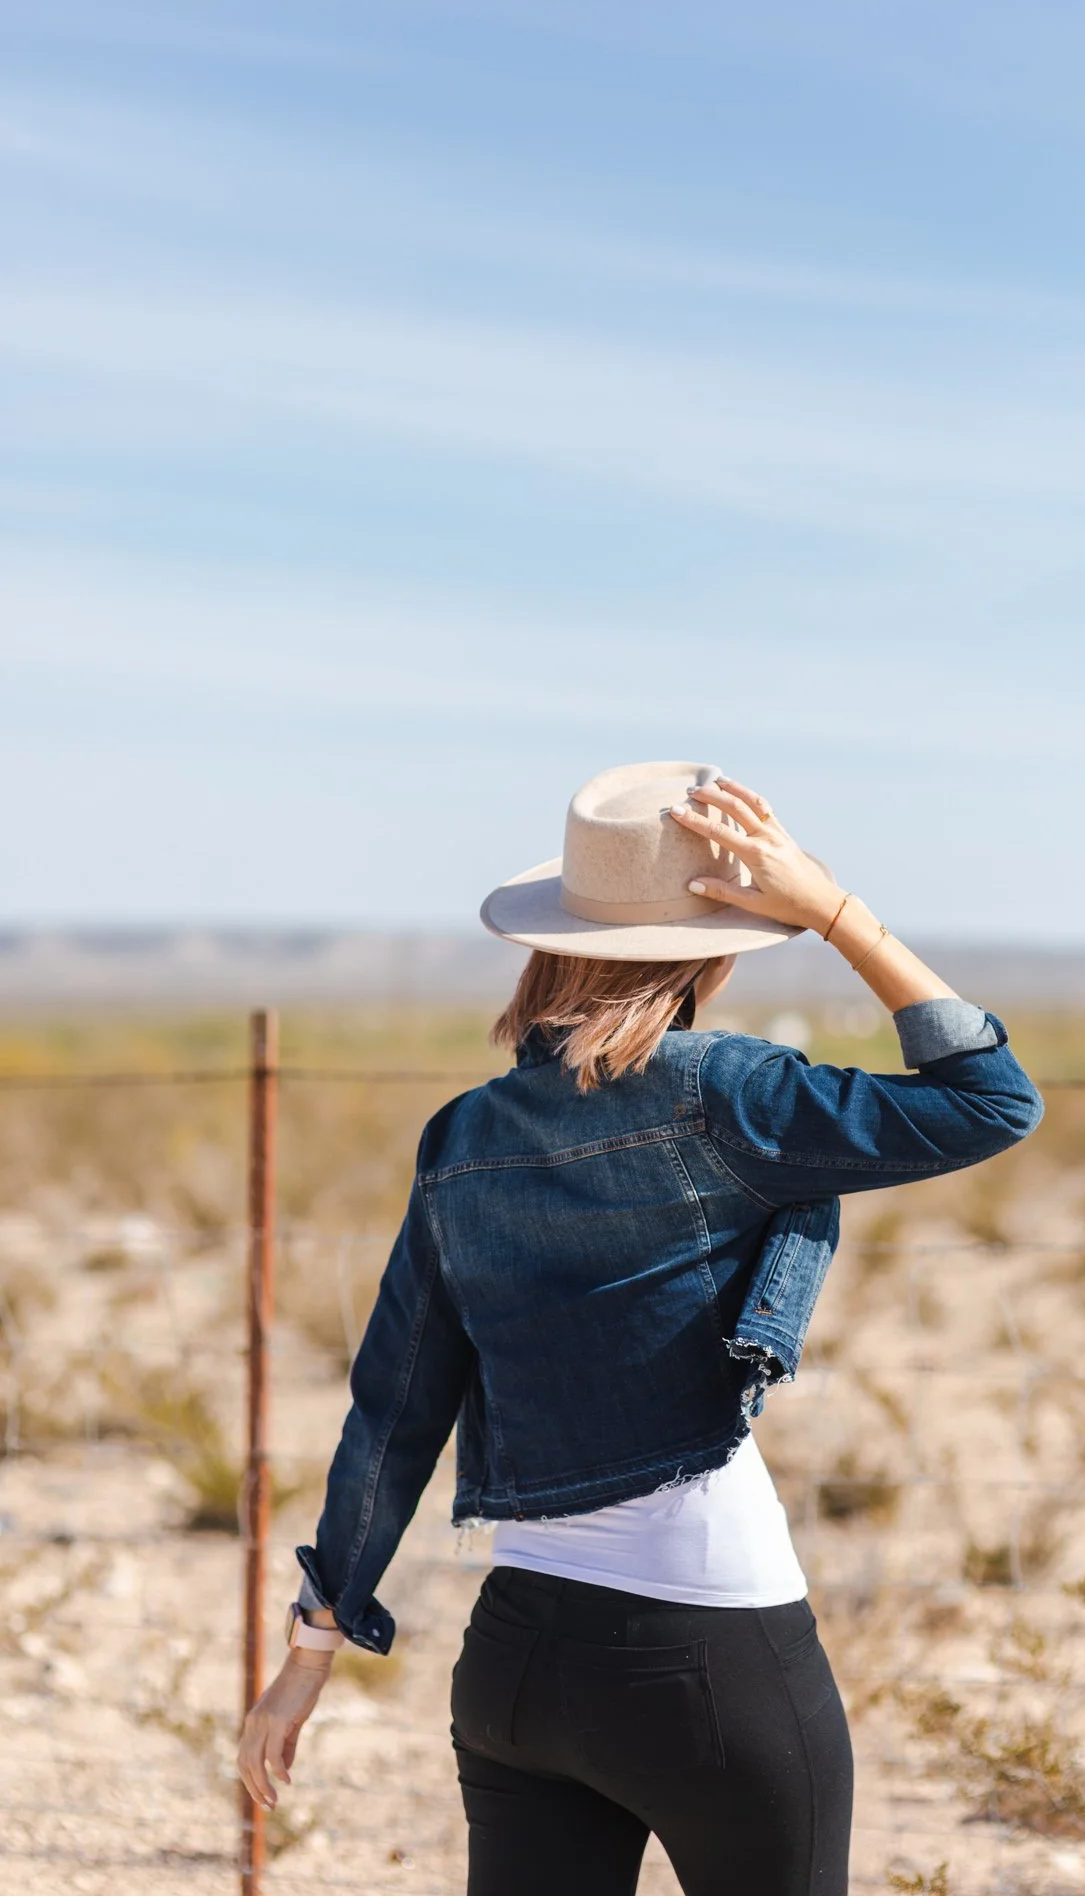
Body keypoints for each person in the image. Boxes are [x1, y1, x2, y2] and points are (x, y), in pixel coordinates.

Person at [238, 762, 1043, 1895]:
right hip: (712, 1656)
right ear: (714, 954)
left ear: (552, 946)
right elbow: (991, 1098)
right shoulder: (736, 1095)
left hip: (516, 1666)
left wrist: (310, 1651)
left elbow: (394, 1409)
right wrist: (833, 912)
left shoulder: (462, 1135)